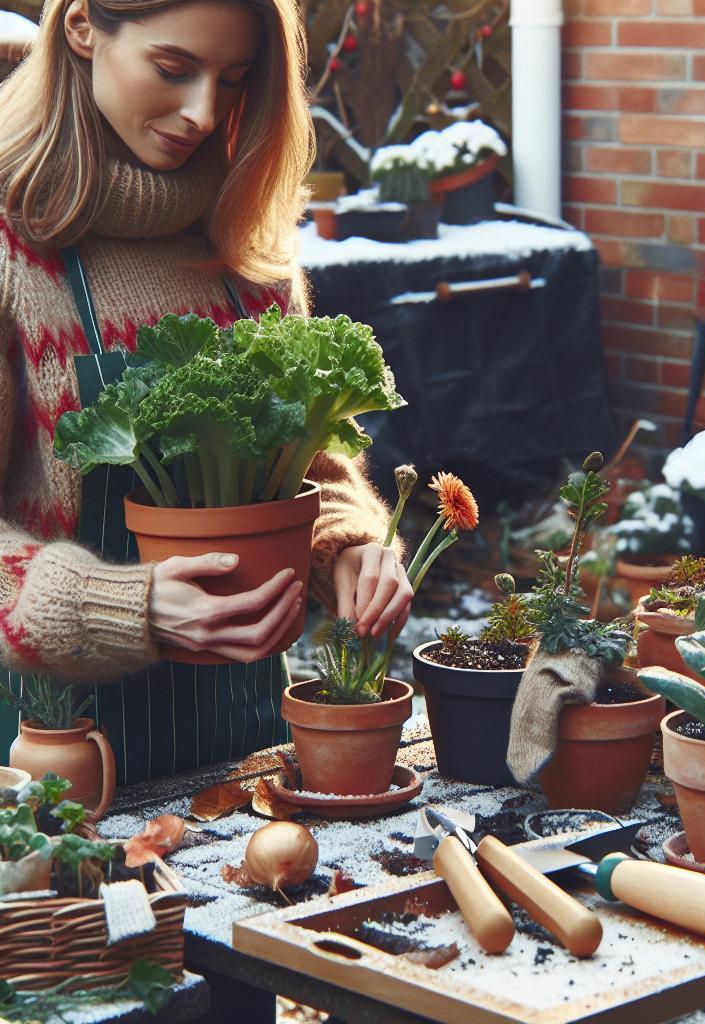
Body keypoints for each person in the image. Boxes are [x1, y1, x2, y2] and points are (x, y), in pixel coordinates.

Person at [0, 0, 414, 783]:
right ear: (83, 26)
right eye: (174, 68)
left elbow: (311, 468)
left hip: (249, 748)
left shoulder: (243, 238)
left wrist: (349, 544)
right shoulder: (10, 251)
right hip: (50, 763)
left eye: (234, 79)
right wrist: (115, 606)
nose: (204, 112)